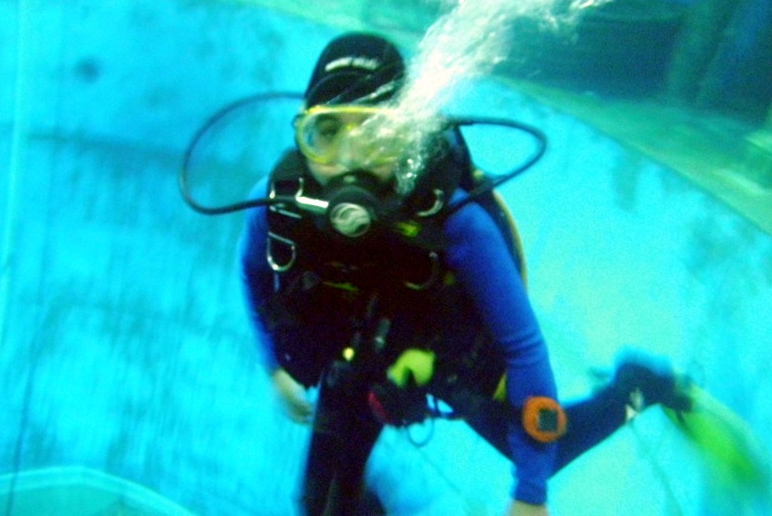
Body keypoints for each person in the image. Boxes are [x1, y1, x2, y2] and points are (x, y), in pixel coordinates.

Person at [238, 32, 691, 516]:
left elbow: (522, 344)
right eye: (326, 133)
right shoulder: (279, 205)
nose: (350, 160)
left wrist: (530, 494)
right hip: (363, 353)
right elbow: (253, 274)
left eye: (374, 134)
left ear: (406, 136)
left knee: (546, 452)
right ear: (302, 138)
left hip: (449, 353)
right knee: (320, 504)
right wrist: (273, 366)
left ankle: (637, 387)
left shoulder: (454, 220)